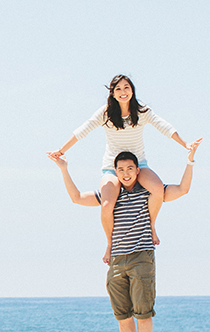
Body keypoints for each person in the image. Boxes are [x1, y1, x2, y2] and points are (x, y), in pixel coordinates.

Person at [51, 141, 198, 332]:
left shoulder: (148, 193)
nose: (125, 174)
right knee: (122, 313)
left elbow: (182, 189)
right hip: (117, 261)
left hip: (141, 256)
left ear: (138, 171)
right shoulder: (110, 196)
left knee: (144, 311)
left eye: (130, 169)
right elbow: (77, 198)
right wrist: (64, 168)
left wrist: (190, 160)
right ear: (115, 172)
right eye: (120, 170)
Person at [48, 75, 196, 262]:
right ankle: (110, 244)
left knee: (158, 189)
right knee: (107, 205)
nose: (123, 92)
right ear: (112, 93)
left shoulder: (141, 111)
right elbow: (82, 130)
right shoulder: (106, 113)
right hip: (112, 167)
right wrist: (61, 150)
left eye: (126, 87)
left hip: (138, 164)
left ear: (132, 90)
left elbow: (164, 127)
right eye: (118, 89)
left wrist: (185, 144)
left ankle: (151, 227)